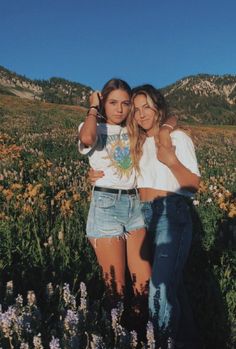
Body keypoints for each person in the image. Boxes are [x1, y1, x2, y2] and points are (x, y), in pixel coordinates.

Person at [127, 84, 201, 349]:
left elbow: (192, 185)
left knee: (161, 290)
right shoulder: (137, 141)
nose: (141, 114)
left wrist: (170, 159)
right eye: (136, 110)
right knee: (173, 286)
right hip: (143, 214)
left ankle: (161, 344)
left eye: (146, 106)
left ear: (158, 106)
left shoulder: (178, 138)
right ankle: (189, 342)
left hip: (172, 212)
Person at [78, 79, 152, 303]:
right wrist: (92, 108)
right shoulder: (93, 127)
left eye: (125, 103)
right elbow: (87, 139)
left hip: (135, 204)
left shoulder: (134, 130)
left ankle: (142, 335)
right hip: (106, 204)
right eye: (112, 102)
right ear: (103, 104)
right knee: (116, 289)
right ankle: (117, 337)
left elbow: (166, 117)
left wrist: (168, 127)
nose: (119, 109)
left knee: (144, 286)